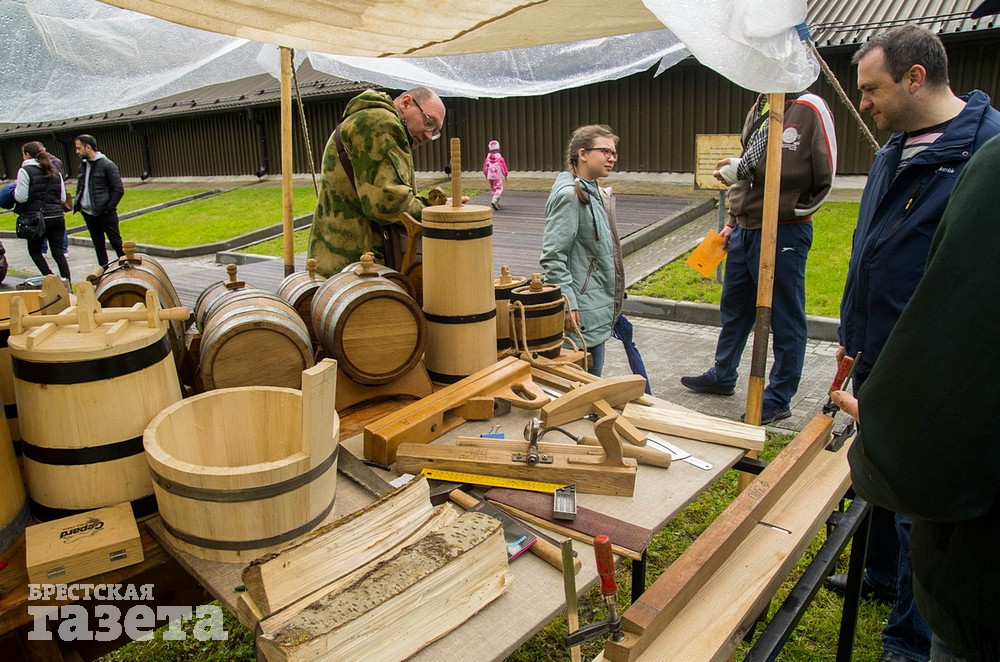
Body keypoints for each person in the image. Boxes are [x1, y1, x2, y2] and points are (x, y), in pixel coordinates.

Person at [827, 25, 1000, 662]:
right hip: (874, 350)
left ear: (916, 78)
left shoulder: (985, 150)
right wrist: (853, 335)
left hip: (925, 362)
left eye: (871, 90)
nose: (862, 103)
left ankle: (908, 638)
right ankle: (877, 579)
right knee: (876, 481)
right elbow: (872, 250)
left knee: (914, 504)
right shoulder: (890, 150)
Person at [679, 90, 837, 425]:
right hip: (745, 229)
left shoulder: (809, 108)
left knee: (785, 317)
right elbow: (749, 169)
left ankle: (778, 397)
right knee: (735, 308)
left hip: (784, 230)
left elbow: (824, 176)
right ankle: (723, 375)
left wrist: (791, 211)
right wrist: (733, 221)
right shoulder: (759, 106)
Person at [308, 86, 446, 277]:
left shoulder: (369, 118)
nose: (429, 135)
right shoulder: (380, 123)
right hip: (353, 266)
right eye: (429, 122)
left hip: (338, 258)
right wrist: (439, 212)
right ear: (406, 103)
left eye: (435, 131)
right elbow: (387, 202)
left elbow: (385, 191)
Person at [540, 124, 624, 377]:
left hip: (596, 306)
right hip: (580, 312)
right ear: (583, 154)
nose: (612, 157)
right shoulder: (570, 196)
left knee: (591, 382)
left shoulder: (593, 190)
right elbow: (553, 256)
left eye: (614, 153)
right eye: (605, 151)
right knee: (582, 383)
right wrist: (567, 302)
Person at [13, 141, 71, 282]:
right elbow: (62, 197)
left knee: (35, 251)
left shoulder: (25, 171)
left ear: (26, 154)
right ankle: (67, 282)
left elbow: (21, 197)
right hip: (57, 216)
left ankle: (50, 278)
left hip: (37, 218)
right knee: (58, 253)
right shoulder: (54, 170)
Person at [73, 134, 125, 266]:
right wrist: (79, 205)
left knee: (116, 243)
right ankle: (104, 272)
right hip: (89, 214)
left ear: (88, 147)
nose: (77, 151)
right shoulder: (83, 166)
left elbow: (118, 189)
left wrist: (109, 207)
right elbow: (81, 187)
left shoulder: (107, 165)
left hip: (105, 213)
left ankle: (127, 267)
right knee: (98, 245)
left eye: (79, 148)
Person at [37, 142, 69, 258]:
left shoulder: (38, 167)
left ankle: (46, 249)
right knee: (58, 226)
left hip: (48, 201)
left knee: (44, 225)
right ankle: (62, 249)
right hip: (56, 202)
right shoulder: (56, 162)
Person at [482, 140, 508, 209]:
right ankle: (494, 200)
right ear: (498, 148)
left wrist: (485, 173)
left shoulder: (487, 158)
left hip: (490, 176)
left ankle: (496, 202)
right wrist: (505, 174)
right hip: (497, 177)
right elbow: (503, 168)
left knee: (493, 189)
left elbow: (485, 167)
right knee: (499, 189)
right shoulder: (500, 158)